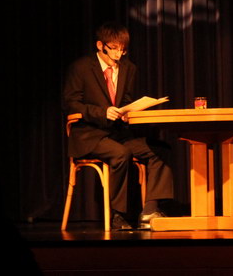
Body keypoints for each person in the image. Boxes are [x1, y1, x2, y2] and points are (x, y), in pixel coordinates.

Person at [63, 21, 173, 230]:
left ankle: (150, 211)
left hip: (117, 134)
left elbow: (125, 99)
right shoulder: (81, 68)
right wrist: (102, 112)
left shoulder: (128, 68)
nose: (118, 54)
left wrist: (127, 112)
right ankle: (117, 215)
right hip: (89, 135)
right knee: (121, 153)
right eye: (114, 48)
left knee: (159, 150)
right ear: (100, 45)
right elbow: (71, 103)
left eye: (122, 49)